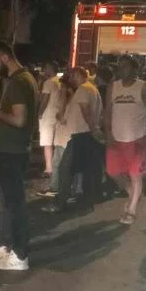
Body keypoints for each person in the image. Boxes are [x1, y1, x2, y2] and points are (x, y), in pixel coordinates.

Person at [0, 42, 38, 272]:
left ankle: (20, 255)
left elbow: (19, 120)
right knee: (8, 199)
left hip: (12, 152)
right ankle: (4, 243)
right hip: (13, 150)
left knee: (15, 204)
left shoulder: (19, 82)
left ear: (5, 57)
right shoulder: (23, 79)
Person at [43, 66, 103, 213]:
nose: (71, 79)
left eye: (72, 75)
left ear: (79, 75)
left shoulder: (83, 89)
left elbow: (85, 111)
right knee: (87, 170)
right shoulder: (92, 89)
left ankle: (61, 202)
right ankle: (86, 203)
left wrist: (93, 129)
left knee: (65, 168)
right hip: (85, 134)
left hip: (81, 134)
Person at [105, 55, 146, 225]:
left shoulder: (144, 88)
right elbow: (108, 111)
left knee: (135, 175)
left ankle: (131, 210)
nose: (121, 69)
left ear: (134, 69)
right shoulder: (113, 86)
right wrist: (108, 133)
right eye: (120, 66)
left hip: (138, 139)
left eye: (125, 66)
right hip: (116, 139)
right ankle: (133, 193)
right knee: (112, 172)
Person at [37, 74, 72, 198]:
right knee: (60, 162)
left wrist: (57, 115)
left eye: (62, 86)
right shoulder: (71, 96)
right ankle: (63, 189)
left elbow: (61, 116)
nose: (60, 88)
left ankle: (56, 188)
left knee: (58, 162)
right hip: (64, 135)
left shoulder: (66, 97)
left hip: (62, 135)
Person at [38, 61, 61, 177]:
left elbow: (44, 100)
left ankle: (49, 168)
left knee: (47, 143)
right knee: (57, 143)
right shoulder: (60, 82)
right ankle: (57, 166)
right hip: (59, 115)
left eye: (46, 68)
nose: (44, 70)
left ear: (50, 69)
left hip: (48, 115)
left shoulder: (48, 82)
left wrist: (39, 113)